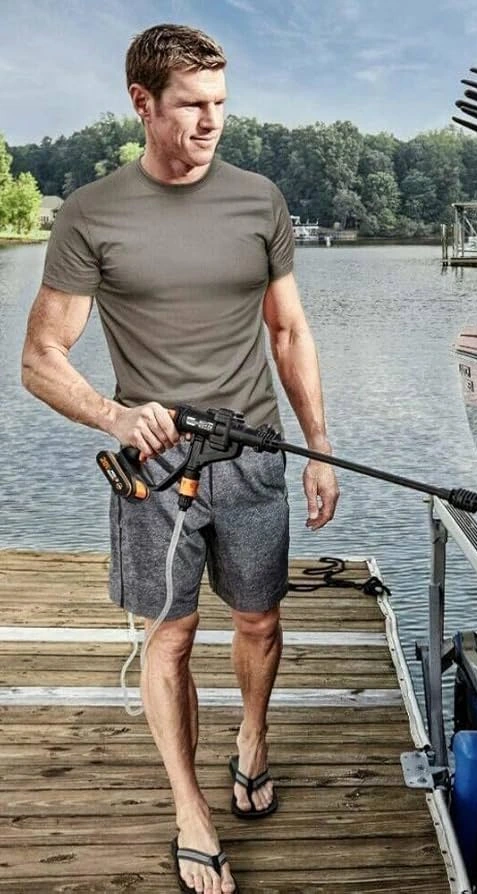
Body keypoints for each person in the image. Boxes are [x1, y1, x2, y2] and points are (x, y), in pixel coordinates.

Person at [20, 24, 339, 894]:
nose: (211, 123)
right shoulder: (93, 214)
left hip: (254, 453)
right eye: (192, 106)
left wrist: (320, 450)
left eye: (221, 106)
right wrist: (115, 413)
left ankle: (253, 738)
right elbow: (41, 357)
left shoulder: (259, 201)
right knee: (171, 637)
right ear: (142, 104)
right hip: (155, 467)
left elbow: (288, 330)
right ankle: (190, 808)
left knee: (260, 622)